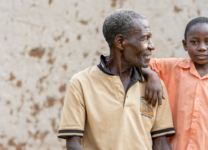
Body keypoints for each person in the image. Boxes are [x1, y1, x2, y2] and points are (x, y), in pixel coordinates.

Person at [57, 9, 175, 150]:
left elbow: (161, 144)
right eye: (145, 38)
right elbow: (73, 144)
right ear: (120, 42)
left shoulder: (154, 86)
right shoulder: (81, 83)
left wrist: (153, 75)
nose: (151, 46)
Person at [142, 17, 208, 150]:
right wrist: (152, 75)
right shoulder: (170, 68)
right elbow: (139, 63)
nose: (201, 48)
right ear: (185, 44)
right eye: (194, 42)